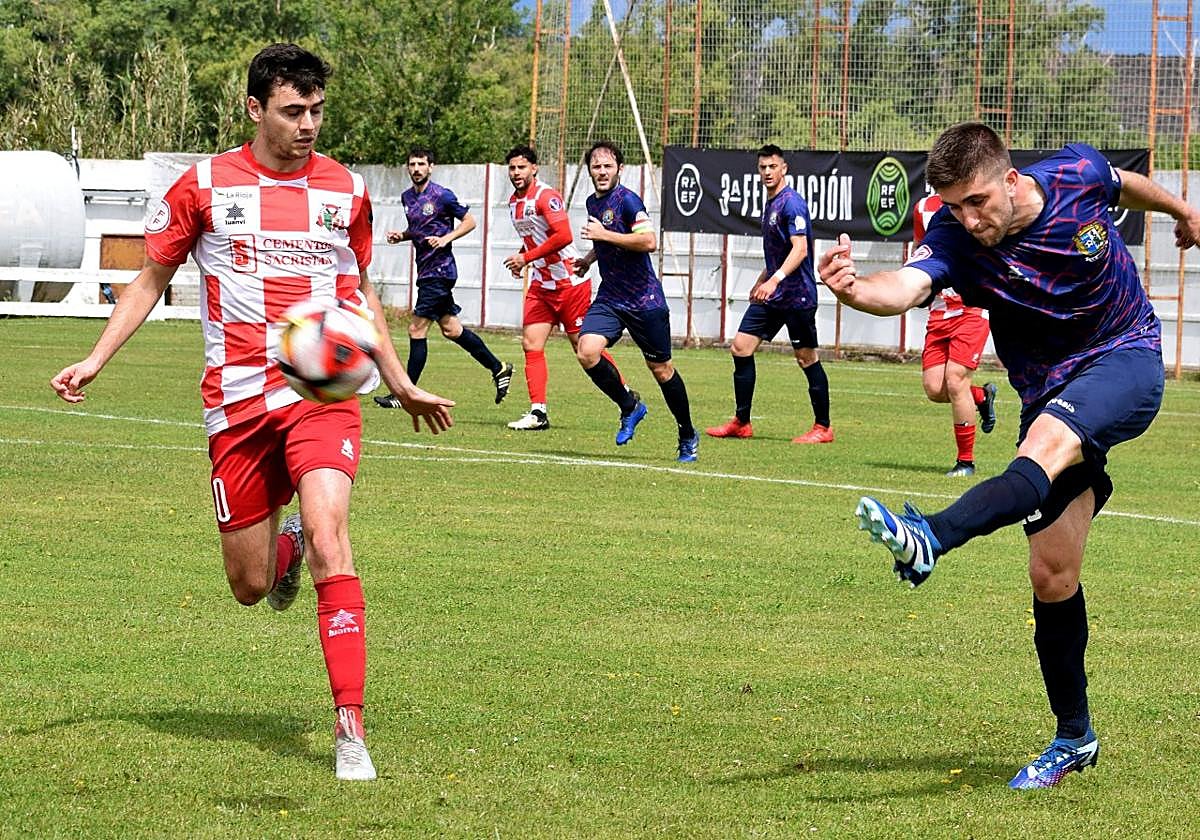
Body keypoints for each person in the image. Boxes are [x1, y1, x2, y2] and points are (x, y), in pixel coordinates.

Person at [50, 43, 455, 782]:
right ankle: (284, 549)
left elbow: (359, 297)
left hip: (321, 393)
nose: (308, 124)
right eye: (294, 111)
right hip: (235, 401)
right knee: (249, 586)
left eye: (317, 110)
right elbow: (149, 281)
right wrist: (95, 358)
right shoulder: (202, 185)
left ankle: (349, 728)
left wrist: (397, 381)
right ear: (255, 109)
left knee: (337, 536)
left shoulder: (347, 191)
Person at [819, 122, 1196, 790]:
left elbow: (1123, 184)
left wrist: (1183, 209)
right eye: (954, 206)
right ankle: (1075, 737)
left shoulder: (1074, 175)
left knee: (1044, 445)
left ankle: (928, 535)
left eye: (977, 202)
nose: (967, 218)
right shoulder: (956, 241)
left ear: (1011, 180)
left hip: (1125, 359)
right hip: (1047, 389)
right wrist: (852, 290)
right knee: (1052, 574)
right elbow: (903, 287)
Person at [573, 141, 699, 462]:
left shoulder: (628, 200)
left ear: (619, 169)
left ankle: (686, 432)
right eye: (596, 167)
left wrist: (603, 236)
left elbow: (648, 240)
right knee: (587, 351)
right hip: (611, 298)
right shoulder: (592, 202)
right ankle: (630, 405)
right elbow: (607, 241)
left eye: (607, 166)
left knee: (661, 369)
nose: (601, 172)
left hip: (644, 300)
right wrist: (589, 259)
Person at [705, 144, 833, 444]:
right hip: (775, 294)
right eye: (762, 167)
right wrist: (762, 279)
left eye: (772, 167)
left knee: (806, 358)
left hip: (797, 295)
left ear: (784, 168)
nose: (766, 172)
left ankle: (824, 427)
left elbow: (800, 250)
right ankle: (742, 422)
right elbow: (780, 253)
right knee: (740, 347)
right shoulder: (771, 203)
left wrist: (773, 280)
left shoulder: (792, 204)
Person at [501, 144, 634, 430]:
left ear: (534, 168)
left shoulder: (546, 196)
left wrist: (525, 258)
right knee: (531, 344)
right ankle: (538, 413)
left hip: (569, 283)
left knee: (583, 348)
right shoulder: (513, 201)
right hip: (541, 284)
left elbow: (563, 236)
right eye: (512, 168)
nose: (516, 173)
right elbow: (535, 239)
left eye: (521, 167)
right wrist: (523, 260)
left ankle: (625, 395)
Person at [373, 148, 512, 408]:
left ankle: (404, 394)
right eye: (412, 164)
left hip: (440, 271)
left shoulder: (442, 195)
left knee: (416, 329)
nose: (416, 168)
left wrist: (446, 238)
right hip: (426, 271)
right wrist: (401, 236)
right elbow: (418, 230)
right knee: (452, 330)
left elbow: (470, 221)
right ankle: (499, 367)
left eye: (421, 164)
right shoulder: (407, 198)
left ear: (431, 167)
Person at [912, 192, 999, 476]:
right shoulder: (924, 209)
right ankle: (981, 397)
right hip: (939, 311)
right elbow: (921, 251)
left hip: (971, 308)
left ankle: (965, 462)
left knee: (955, 380)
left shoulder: (979, 203)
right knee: (935, 389)